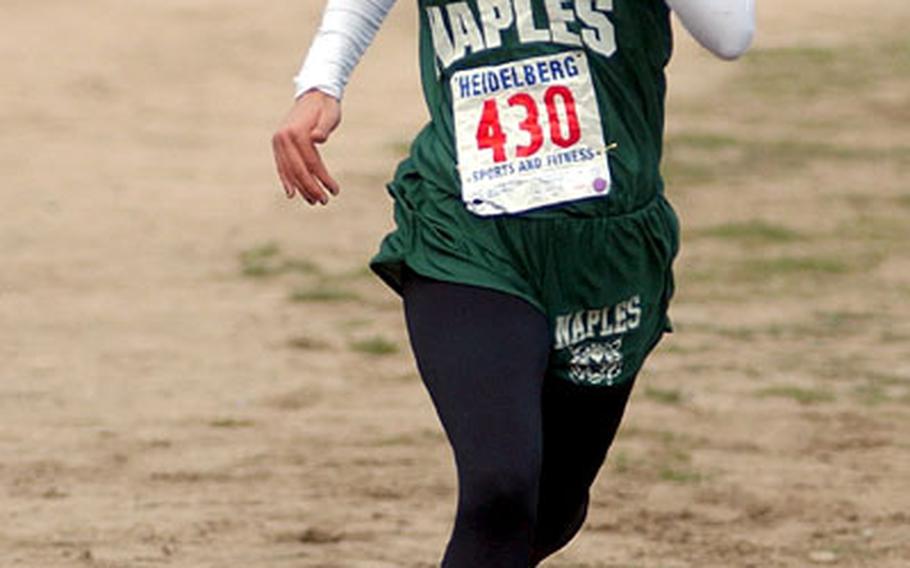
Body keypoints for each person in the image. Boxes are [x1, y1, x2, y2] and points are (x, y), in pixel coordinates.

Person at [272, 1, 754, 566]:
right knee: (500, 487)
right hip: (470, 232)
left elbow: (731, 34)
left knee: (551, 507)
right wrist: (321, 82)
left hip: (606, 242)